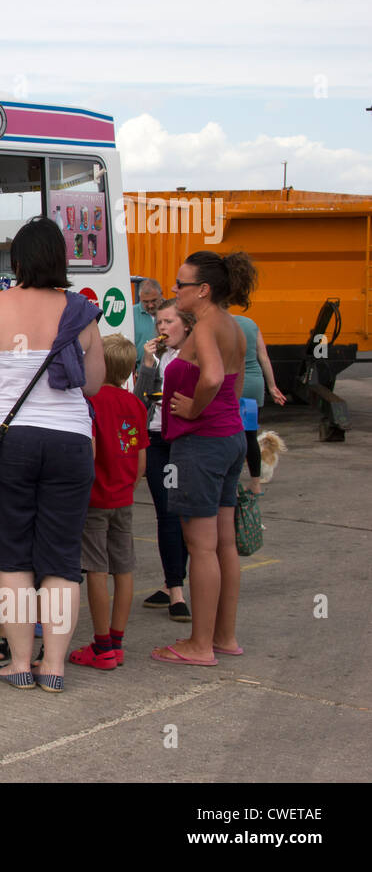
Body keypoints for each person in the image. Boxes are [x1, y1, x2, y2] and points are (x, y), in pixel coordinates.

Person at [0, 217, 104, 693]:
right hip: (70, 442)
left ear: (16, 261)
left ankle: (18, 663)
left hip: (6, 441)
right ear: (60, 260)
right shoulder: (83, 313)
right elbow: (93, 384)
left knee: (12, 556)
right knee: (61, 558)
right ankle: (54, 666)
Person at [152, 251, 257, 667]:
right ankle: (224, 636)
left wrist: (193, 409)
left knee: (201, 545)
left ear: (204, 290)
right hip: (231, 438)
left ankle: (199, 645)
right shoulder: (231, 325)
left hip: (202, 443)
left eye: (181, 284)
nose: (175, 290)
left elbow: (212, 376)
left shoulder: (209, 326)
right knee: (224, 544)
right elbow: (229, 377)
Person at [70, 334, 147, 671]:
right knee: (124, 567)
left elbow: (91, 453)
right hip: (124, 497)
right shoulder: (136, 405)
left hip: (95, 499)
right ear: (130, 370)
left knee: (96, 569)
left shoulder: (91, 402)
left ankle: (100, 646)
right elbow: (141, 460)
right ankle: (117, 641)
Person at [135, 299, 195, 621]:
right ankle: (175, 590)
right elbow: (138, 400)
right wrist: (147, 363)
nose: (161, 328)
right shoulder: (156, 358)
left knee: (183, 512)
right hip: (157, 441)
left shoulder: (194, 355)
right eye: (158, 323)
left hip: (183, 440)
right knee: (167, 511)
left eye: (168, 322)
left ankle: (175, 582)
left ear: (186, 325)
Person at [233, 313, 287, 495]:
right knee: (249, 436)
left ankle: (230, 481)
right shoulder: (250, 323)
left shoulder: (217, 323)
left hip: (233, 384)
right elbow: (263, 356)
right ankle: (255, 483)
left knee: (229, 434)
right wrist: (272, 386)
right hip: (253, 384)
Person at [132, 279, 164, 367]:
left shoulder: (172, 311)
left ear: (161, 295)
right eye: (145, 302)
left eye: (154, 300)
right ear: (140, 298)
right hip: (141, 371)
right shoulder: (131, 314)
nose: (150, 305)